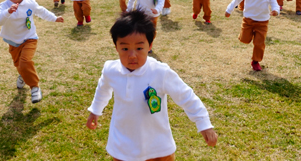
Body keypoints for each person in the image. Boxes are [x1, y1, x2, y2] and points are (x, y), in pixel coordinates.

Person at [86, 11, 217, 161]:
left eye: (139, 48)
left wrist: (204, 124)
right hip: (123, 146)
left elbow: (186, 96)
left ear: (150, 46)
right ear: (116, 47)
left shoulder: (160, 72)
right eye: (125, 48)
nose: (132, 55)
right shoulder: (111, 70)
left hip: (158, 147)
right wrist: (95, 111)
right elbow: (103, 89)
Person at [0, 0, 64, 103]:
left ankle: (35, 87)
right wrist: (8, 12)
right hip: (12, 41)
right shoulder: (4, 6)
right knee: (19, 65)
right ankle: (23, 75)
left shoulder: (30, 4)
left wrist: (54, 18)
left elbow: (41, 11)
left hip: (29, 38)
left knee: (25, 61)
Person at [225, 0, 279, 71]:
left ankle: (255, 61)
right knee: (245, 40)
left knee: (259, 43)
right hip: (248, 20)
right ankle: (243, 35)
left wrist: (276, 10)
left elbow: (274, 3)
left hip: (263, 22)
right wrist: (229, 10)